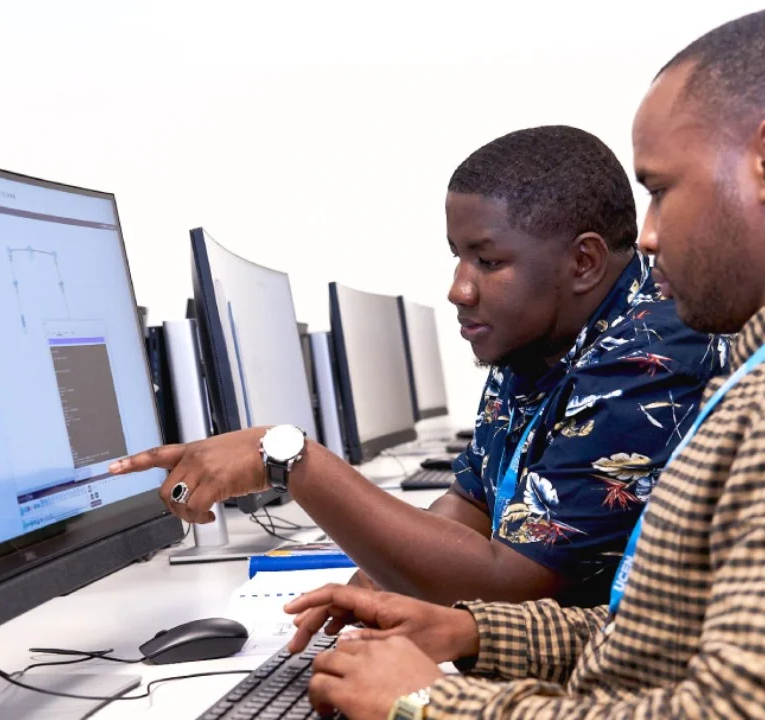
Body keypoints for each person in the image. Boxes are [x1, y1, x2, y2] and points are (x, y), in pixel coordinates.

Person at [282, 6, 765, 720]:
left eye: (661, 191)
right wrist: (475, 633)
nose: (642, 236)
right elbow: (672, 641)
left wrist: (427, 704)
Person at [110, 126, 724, 607]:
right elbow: (471, 502)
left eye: (486, 261)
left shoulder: (647, 355)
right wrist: (373, 588)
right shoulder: (540, 338)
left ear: (584, 262)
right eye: (458, 257)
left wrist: (291, 460)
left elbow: (515, 581)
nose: (459, 289)